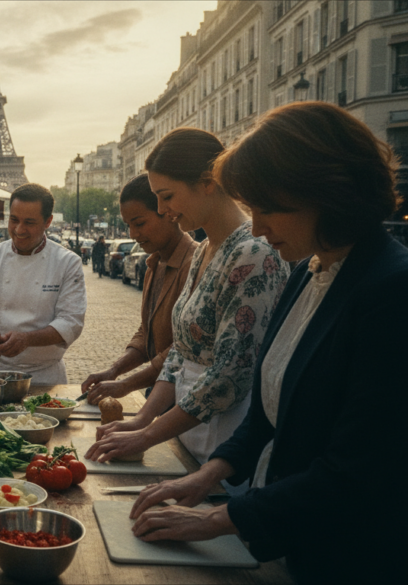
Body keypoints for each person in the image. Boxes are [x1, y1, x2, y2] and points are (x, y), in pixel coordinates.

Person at [128, 102, 405, 583]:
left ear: (325, 192)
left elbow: (357, 469)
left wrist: (218, 520)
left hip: (352, 557)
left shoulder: (392, 292)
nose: (255, 227)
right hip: (293, 535)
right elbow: (268, 411)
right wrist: (209, 473)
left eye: (267, 208)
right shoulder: (308, 270)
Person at [85, 128, 288, 487]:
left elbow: (229, 376)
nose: (163, 210)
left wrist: (147, 432)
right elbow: (181, 353)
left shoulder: (253, 253)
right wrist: (142, 419)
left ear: (208, 181)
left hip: (227, 440)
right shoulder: (206, 248)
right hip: (187, 430)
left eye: (167, 197)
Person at [82, 175, 197, 402]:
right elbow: (147, 334)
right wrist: (114, 371)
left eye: (140, 223)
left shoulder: (194, 265)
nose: (133, 234)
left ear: (169, 213)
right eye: (129, 226)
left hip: (185, 401)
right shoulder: (154, 264)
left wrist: (126, 384)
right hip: (161, 397)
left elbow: (183, 349)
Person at [0, 184, 87, 384]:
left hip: (45, 376)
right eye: (14, 220)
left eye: (29, 222)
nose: (19, 230)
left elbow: (71, 321)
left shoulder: (67, 262)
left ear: (48, 222)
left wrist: (27, 340)